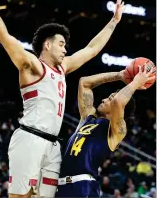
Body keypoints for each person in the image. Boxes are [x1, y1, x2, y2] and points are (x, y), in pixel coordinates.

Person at [0, 0, 125, 198]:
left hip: (52, 146)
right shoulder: (31, 66)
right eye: (61, 44)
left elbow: (92, 49)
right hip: (29, 137)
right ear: (47, 45)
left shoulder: (63, 67)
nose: (65, 48)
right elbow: (6, 38)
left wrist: (113, 22)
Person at [56, 64, 155, 198]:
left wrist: (136, 82)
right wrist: (119, 75)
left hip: (82, 187)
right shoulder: (88, 118)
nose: (103, 99)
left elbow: (119, 101)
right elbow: (84, 83)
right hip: (61, 186)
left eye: (109, 99)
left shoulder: (117, 131)